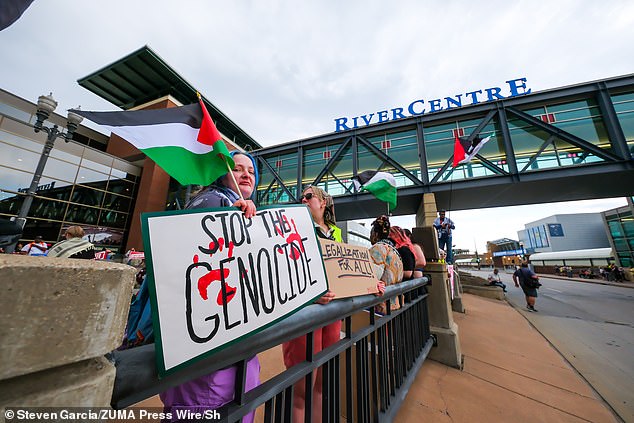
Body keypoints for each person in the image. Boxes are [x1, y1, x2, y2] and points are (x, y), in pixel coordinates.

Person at [160, 151, 260, 422]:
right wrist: (230, 220)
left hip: (232, 347)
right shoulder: (212, 202)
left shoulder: (235, 206)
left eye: (250, 171)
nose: (246, 175)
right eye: (237, 169)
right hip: (210, 354)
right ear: (221, 174)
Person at [282, 185, 341, 423]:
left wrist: (370, 285)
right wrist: (311, 293)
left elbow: (344, 271)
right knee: (302, 389)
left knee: (321, 385)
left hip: (333, 314)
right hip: (306, 313)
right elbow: (284, 272)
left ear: (323, 202)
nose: (303, 200)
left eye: (309, 196)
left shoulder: (335, 233)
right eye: (301, 197)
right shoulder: (292, 230)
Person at [369, 215, 404, 314]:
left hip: (382, 306)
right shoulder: (394, 250)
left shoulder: (378, 249)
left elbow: (372, 277)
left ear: (375, 234)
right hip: (395, 302)